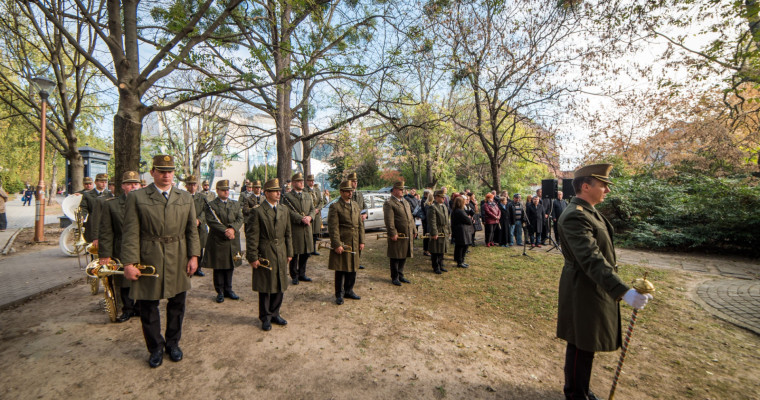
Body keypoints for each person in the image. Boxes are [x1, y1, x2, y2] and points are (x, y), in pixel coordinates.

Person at [557, 163, 652, 400]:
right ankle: (576, 394)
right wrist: (623, 291)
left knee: (585, 343)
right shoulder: (575, 215)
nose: (607, 191)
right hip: (583, 287)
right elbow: (591, 258)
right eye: (603, 185)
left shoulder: (587, 210)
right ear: (586, 186)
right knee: (581, 344)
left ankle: (579, 389)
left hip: (591, 285)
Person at [121, 155, 201, 368]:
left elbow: (191, 230)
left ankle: (173, 344)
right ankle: (155, 348)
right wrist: (129, 263)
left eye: (170, 171)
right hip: (150, 255)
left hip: (178, 255)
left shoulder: (185, 197)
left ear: (174, 173)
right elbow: (130, 232)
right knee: (148, 306)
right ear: (153, 172)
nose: (166, 175)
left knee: (177, 304)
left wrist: (194, 256)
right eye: (162, 170)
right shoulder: (137, 197)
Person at [245, 178, 293, 331]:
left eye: (279, 190)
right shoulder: (258, 211)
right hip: (266, 251)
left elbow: (288, 234)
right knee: (266, 285)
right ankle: (265, 317)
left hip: (280, 251)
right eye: (274, 191)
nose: (278, 193)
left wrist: (290, 252)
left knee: (280, 283)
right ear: (266, 193)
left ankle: (275, 313)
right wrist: (253, 257)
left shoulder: (284, 210)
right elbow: (252, 236)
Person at [98, 170, 142, 323]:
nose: (133, 187)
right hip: (121, 247)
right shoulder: (112, 205)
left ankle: (141, 308)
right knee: (124, 281)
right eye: (129, 184)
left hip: (143, 247)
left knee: (143, 278)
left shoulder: (147, 203)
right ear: (123, 186)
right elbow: (106, 232)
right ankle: (128, 309)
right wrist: (104, 254)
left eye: (136, 184)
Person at [203, 179, 244, 303]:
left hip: (232, 240)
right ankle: (220, 291)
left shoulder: (235, 204)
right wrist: (226, 231)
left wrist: (233, 229)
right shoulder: (211, 205)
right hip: (218, 239)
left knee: (231, 265)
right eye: (223, 190)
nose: (226, 192)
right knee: (219, 266)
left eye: (227, 190)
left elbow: (240, 218)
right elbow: (211, 221)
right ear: (218, 191)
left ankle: (229, 289)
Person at [327, 180, 365, 305]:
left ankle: (349, 290)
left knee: (353, 267)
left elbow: (360, 225)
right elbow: (333, 227)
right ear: (341, 192)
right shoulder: (335, 207)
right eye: (348, 191)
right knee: (341, 268)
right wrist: (337, 244)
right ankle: (339, 293)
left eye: (351, 190)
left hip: (354, 241)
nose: (350, 193)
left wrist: (361, 240)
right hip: (343, 241)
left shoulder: (355, 205)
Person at [282, 172, 316, 285]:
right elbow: (288, 211)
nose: (301, 183)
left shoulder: (307, 195)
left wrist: (310, 217)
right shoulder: (287, 197)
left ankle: (302, 273)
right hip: (295, 229)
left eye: (302, 181)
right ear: (293, 183)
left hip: (307, 229)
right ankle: (294, 275)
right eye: (299, 181)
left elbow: (312, 209)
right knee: (295, 253)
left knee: (305, 252)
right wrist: (301, 218)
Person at [383, 180, 416, 286]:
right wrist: (392, 233)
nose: (403, 191)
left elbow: (410, 217)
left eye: (403, 189)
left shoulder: (405, 202)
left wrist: (414, 229)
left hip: (407, 233)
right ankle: (395, 277)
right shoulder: (389, 203)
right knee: (396, 255)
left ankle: (401, 274)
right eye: (401, 189)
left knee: (404, 254)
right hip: (398, 234)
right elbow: (389, 220)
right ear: (395, 190)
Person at [81, 173, 113, 251]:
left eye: (105, 182)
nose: (103, 184)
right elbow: (84, 207)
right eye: (101, 182)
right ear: (95, 182)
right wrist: (82, 217)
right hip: (93, 221)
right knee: (93, 246)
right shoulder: (87, 195)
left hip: (107, 221)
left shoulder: (109, 194)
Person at [185, 175, 208, 277]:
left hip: (200, 227)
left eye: (194, 184)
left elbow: (206, 210)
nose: (192, 187)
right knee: (187, 247)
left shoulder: (202, 197)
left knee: (199, 249)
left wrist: (199, 220)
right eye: (190, 184)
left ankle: (198, 268)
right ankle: (187, 267)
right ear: (186, 185)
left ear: (197, 185)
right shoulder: (183, 196)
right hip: (186, 226)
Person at [427, 190, 450, 274]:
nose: (443, 198)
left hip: (444, 230)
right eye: (441, 197)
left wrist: (449, 230)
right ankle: (435, 266)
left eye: (444, 197)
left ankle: (441, 264)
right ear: (436, 197)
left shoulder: (444, 206)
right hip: (438, 230)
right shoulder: (433, 207)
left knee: (442, 249)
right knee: (435, 250)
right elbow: (432, 221)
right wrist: (434, 233)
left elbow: (447, 220)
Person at [347, 172, 367, 269]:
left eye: (356, 181)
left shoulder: (359, 194)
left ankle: (357, 261)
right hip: (351, 223)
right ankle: (351, 261)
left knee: (360, 242)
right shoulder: (347, 194)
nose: (355, 183)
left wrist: (365, 214)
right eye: (353, 181)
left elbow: (365, 206)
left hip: (360, 223)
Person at [450, 196, 473, 268]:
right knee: (462, 246)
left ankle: (460, 260)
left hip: (459, 230)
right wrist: (469, 218)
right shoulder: (460, 211)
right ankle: (460, 261)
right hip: (461, 231)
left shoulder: (455, 210)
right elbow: (468, 221)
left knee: (460, 246)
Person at [306, 175, 324, 255]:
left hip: (316, 215)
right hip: (309, 214)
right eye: (310, 181)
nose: (312, 182)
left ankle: (313, 249)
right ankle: (308, 250)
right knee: (308, 233)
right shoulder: (304, 190)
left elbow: (321, 201)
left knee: (315, 233)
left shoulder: (317, 190)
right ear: (307, 181)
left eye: (313, 180)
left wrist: (318, 209)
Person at [419, 191, 432, 256]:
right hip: (426, 221)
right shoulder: (425, 202)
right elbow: (427, 213)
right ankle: (426, 250)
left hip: (426, 221)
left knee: (427, 236)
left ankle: (428, 249)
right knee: (426, 236)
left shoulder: (426, 202)